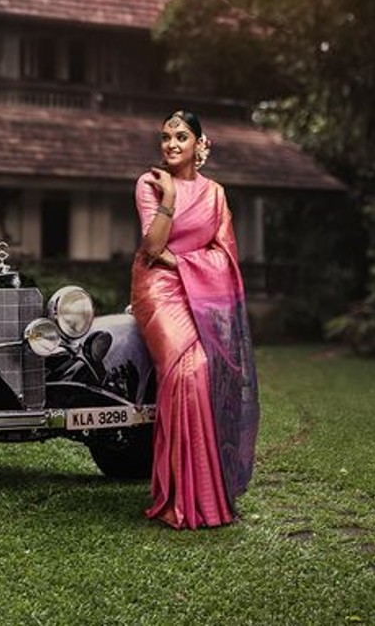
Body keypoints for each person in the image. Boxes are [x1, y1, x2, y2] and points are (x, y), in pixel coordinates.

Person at [130, 110, 260, 530]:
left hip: (199, 292)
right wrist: (168, 198)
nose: (170, 144)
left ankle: (209, 494)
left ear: (200, 145)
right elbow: (152, 247)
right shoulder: (150, 184)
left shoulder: (216, 195)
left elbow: (225, 256)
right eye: (165, 136)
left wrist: (181, 261)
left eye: (181, 137)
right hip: (158, 290)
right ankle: (178, 497)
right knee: (189, 371)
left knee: (211, 372)